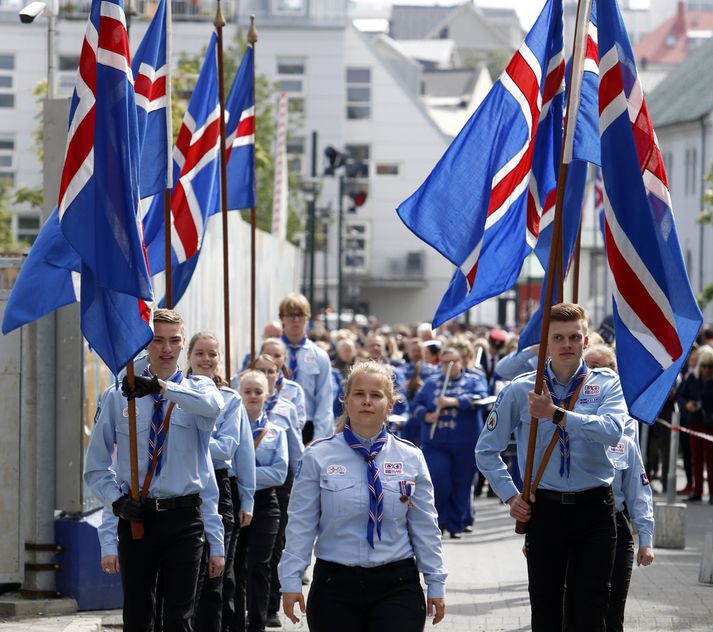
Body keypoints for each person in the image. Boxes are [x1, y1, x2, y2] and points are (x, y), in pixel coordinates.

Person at [475, 303, 626, 632]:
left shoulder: (605, 384)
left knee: (592, 606)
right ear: (545, 343)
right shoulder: (521, 389)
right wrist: (510, 496)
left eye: (574, 337)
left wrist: (557, 414)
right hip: (545, 510)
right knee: (545, 608)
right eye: (558, 337)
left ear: (586, 341)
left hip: (595, 508)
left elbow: (613, 430)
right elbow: (486, 450)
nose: (567, 345)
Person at [279, 361, 447, 632]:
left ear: (390, 404)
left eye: (376, 395)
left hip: (397, 584)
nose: (366, 401)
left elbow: (425, 526)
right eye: (359, 394)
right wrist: (290, 580)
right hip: (335, 584)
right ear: (345, 400)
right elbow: (301, 525)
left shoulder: (410, 457)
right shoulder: (318, 456)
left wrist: (435, 582)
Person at [84, 309, 225, 632]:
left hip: (184, 518)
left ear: (182, 345)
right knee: (138, 616)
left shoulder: (199, 389)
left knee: (179, 617)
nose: (166, 349)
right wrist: (117, 504)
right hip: (138, 518)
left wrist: (161, 388)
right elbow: (95, 468)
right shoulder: (120, 396)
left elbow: (212, 408)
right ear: (146, 345)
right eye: (157, 340)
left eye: (174, 341)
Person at [187, 332, 244, 632]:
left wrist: (188, 443)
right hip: (183, 485)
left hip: (217, 483)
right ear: (189, 357)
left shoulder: (230, 400)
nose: (206, 359)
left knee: (215, 576)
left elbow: (227, 449)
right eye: (199, 353)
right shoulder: (174, 392)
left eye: (212, 354)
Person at [250, 354, 305, 627]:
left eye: (271, 371)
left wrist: (303, 483)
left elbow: (296, 450)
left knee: (274, 548)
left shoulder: (285, 407)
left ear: (278, 374)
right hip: (244, 486)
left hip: (278, 484)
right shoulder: (242, 403)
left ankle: (270, 606)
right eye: (261, 370)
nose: (267, 374)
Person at [232, 371, 289, 632]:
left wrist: (243, 472)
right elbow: (224, 465)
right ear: (239, 393)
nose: (253, 396)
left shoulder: (277, 432)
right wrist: (250, 473)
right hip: (234, 502)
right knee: (234, 565)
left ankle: (257, 623)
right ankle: (234, 623)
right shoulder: (229, 430)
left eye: (258, 391)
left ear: (267, 395)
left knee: (259, 565)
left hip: (265, 505)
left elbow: (279, 473)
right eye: (247, 391)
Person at [412, 347, 488, 537]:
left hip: (465, 442)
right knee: (439, 481)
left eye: (454, 361)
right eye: (445, 362)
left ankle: (456, 524)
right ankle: (439, 521)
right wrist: (425, 415)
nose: (450, 366)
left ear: (461, 361)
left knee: (462, 483)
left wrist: (454, 402)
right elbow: (416, 405)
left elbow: (480, 398)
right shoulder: (431, 383)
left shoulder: (474, 380)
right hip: (436, 443)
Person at [278, 293, 334, 443]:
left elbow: (325, 400)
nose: (296, 320)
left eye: (300, 315)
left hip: (307, 428)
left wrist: (319, 439)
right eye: (290, 315)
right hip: (275, 423)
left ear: (307, 317)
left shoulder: (319, 356)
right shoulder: (271, 352)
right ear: (282, 318)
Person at [683, 345, 713, 503]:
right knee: (697, 458)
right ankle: (698, 490)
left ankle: (712, 493)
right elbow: (681, 396)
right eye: (704, 365)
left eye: (710, 366)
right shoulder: (693, 378)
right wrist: (687, 404)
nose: (706, 369)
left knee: (710, 459)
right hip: (694, 422)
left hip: (709, 424)